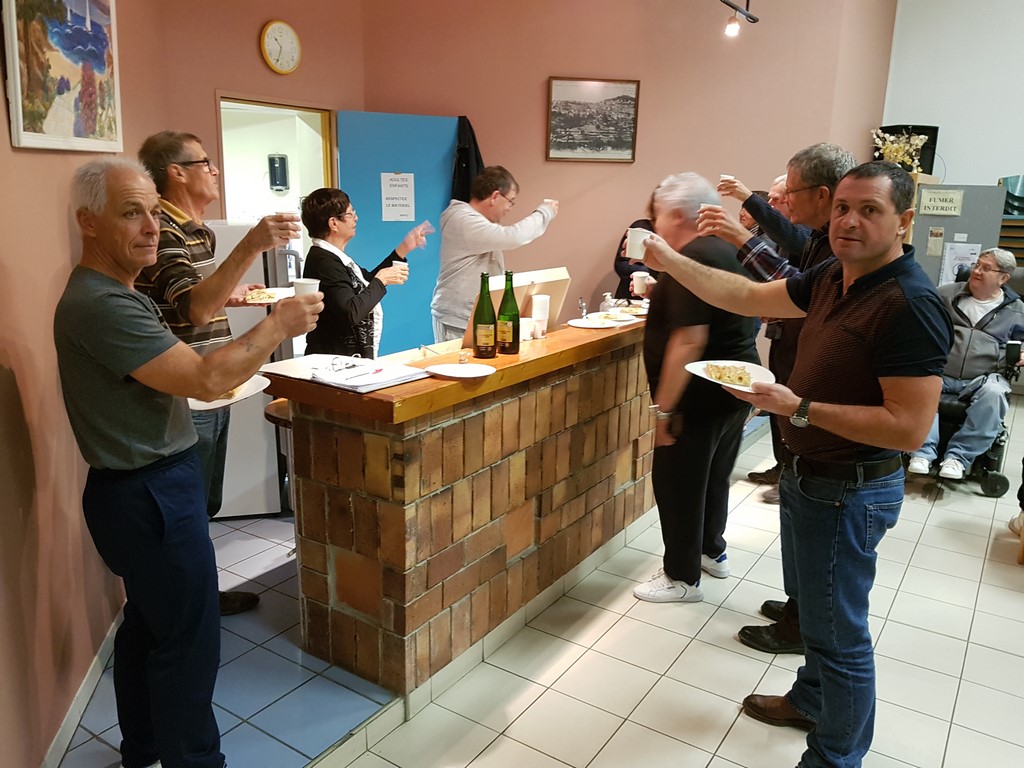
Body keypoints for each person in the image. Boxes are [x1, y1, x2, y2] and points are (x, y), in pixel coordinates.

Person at [643, 160, 952, 768]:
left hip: (850, 487)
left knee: (839, 638)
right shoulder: (836, 275)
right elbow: (745, 293)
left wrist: (799, 408)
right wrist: (672, 261)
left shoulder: (909, 303)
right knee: (816, 622)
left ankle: (834, 757)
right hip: (811, 477)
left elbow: (908, 428)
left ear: (904, 220)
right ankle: (811, 699)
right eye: (842, 208)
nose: (849, 221)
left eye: (869, 210)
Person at [54, 158, 322, 768]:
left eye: (153, 212)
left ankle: (145, 748)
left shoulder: (116, 292)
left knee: (150, 627)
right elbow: (204, 378)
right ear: (88, 222)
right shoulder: (102, 304)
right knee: (189, 642)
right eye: (131, 213)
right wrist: (278, 324)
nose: (151, 227)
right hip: (148, 490)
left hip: (138, 486)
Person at [698, 144, 856, 655]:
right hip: (795, 387)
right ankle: (798, 607)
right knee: (795, 506)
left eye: (789, 193)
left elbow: (789, 286)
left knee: (812, 521)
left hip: (823, 426)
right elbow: (791, 254)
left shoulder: (858, 266)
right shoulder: (820, 240)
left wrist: (738, 234)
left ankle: (802, 623)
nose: (780, 202)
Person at [137, 130, 300, 616]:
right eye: (205, 163)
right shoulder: (164, 229)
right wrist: (252, 243)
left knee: (205, 503)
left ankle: (199, 597)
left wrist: (231, 294)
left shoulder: (197, 230)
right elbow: (195, 309)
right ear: (176, 173)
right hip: (188, 392)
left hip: (215, 388)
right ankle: (187, 607)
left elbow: (191, 299)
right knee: (189, 510)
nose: (215, 170)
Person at [631, 173, 758, 604]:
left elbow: (689, 340)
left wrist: (664, 411)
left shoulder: (692, 258)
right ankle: (711, 552)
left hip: (698, 395)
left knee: (678, 482)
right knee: (714, 477)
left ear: (676, 215)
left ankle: (681, 578)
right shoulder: (723, 248)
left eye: (657, 215)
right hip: (735, 386)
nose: (654, 225)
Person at [907, 248, 1024, 479]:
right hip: (940, 370)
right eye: (976, 265)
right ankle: (921, 452)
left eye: (986, 268)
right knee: (915, 383)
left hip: (984, 378)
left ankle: (957, 458)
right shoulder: (945, 294)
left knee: (995, 393)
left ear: (1003, 278)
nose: (976, 271)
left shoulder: (1017, 310)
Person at [430, 166, 558, 342]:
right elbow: (514, 236)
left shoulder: (479, 222)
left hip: (477, 316)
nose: (510, 208)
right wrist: (545, 212)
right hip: (458, 320)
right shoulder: (462, 219)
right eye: (510, 201)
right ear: (495, 196)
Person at [300, 187, 428, 357]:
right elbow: (351, 312)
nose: (356, 218)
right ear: (334, 223)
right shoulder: (324, 262)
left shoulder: (331, 257)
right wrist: (381, 280)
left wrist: (403, 249)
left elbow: (367, 281)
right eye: (350, 214)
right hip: (333, 361)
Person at [612, 195, 659, 299]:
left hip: (660, 298)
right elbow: (621, 264)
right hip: (631, 298)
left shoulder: (680, 235)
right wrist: (646, 273)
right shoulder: (641, 228)